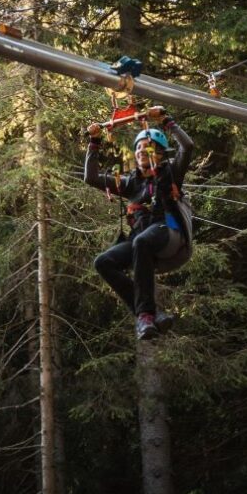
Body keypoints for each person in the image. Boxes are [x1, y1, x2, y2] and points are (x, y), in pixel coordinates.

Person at [85, 106, 194, 341]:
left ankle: (144, 314)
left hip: (169, 231)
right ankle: (150, 315)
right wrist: (94, 142)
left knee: (142, 241)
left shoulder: (171, 173)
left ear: (160, 152)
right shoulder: (130, 183)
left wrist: (166, 121)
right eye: (138, 149)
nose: (141, 152)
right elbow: (91, 178)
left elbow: (188, 147)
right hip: (142, 241)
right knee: (103, 262)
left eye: (148, 148)